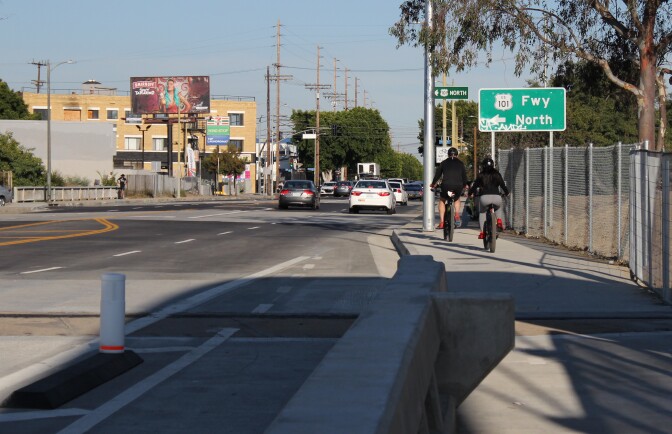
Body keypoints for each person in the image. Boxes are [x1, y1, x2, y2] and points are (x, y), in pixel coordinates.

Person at [469, 157, 510, 239]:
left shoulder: (481, 175)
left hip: (484, 198)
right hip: (496, 197)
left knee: (482, 213)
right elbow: (502, 185)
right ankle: (499, 220)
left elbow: (474, 186)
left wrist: (470, 193)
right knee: (498, 207)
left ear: (483, 166)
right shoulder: (497, 174)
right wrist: (507, 193)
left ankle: (482, 233)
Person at [430, 147, 469, 228]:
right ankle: (457, 214)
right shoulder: (461, 163)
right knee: (457, 199)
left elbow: (438, 175)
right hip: (458, 185)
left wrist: (433, 184)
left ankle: (441, 222)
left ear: (448, 155)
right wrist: (465, 185)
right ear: (457, 155)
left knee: (442, 200)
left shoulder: (443, 163)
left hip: (446, 185)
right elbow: (464, 176)